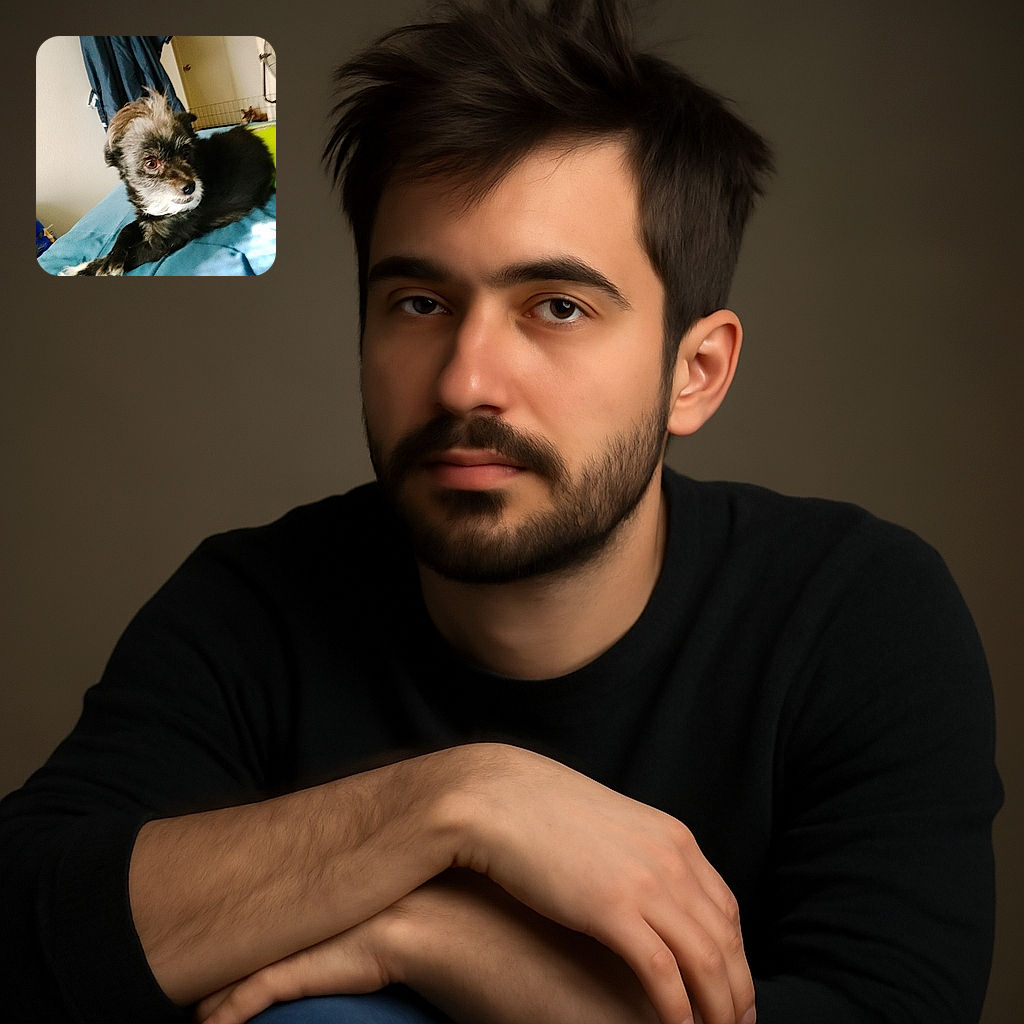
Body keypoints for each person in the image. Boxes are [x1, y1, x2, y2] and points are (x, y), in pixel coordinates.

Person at [1, 2, 1002, 1023]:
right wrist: (453, 800)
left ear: (694, 373)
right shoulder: (252, 605)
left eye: (557, 307)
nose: (465, 382)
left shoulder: (857, 613)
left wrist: (429, 935)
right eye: (420, 304)